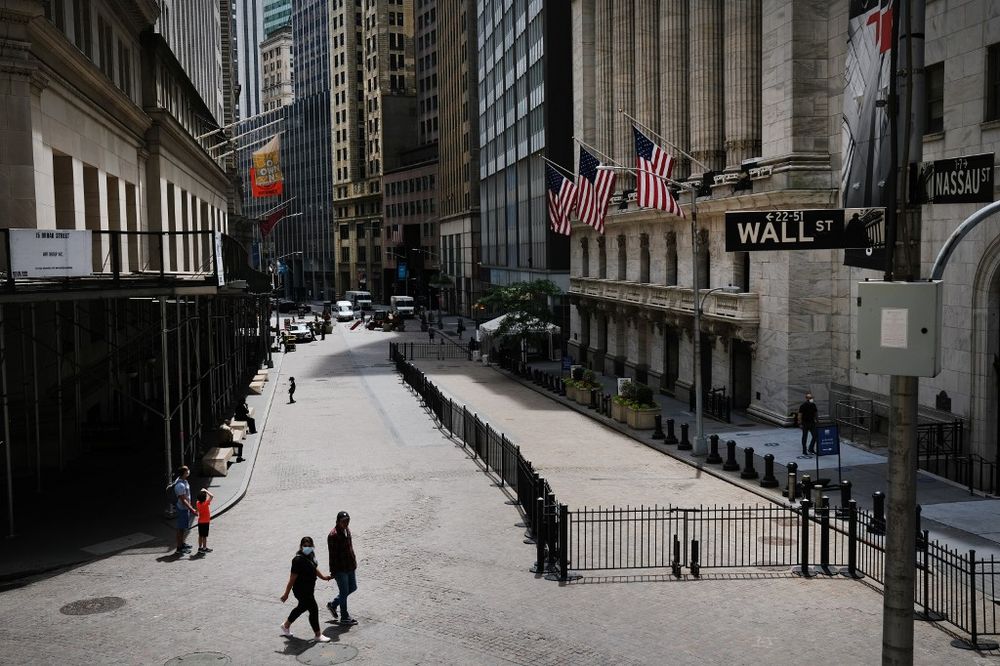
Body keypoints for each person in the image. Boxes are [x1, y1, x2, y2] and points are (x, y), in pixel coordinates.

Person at [280, 536, 332, 642]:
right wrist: (286, 594)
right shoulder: (297, 560)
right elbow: (292, 579)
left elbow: (314, 567)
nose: (307, 548)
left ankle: (286, 625)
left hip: (309, 589)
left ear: (312, 546)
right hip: (301, 590)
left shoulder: (311, 555)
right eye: (305, 546)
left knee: (302, 607)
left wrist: (323, 577)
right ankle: (318, 635)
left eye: (309, 546)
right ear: (301, 546)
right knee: (313, 609)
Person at [326, 511, 359, 626]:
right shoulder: (333, 535)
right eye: (343, 521)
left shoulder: (347, 530)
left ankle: (333, 604)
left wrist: (354, 561)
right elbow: (332, 555)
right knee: (344, 592)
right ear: (338, 521)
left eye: (347, 521)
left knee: (353, 587)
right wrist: (333, 572)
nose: (346, 523)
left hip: (350, 566)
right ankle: (344, 617)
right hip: (340, 569)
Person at [173, 466, 197, 555]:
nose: (188, 472)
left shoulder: (184, 481)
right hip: (182, 508)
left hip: (185, 508)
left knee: (183, 528)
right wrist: (192, 509)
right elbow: (183, 500)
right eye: (187, 471)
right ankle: (179, 548)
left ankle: (182, 544)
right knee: (180, 528)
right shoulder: (180, 485)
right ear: (184, 473)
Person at [195, 489, 214, 554]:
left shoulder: (197, 503)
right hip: (206, 522)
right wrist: (206, 491)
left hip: (200, 522)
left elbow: (197, 510)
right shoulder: (206, 503)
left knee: (200, 535)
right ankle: (204, 548)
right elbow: (211, 496)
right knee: (204, 536)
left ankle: (200, 548)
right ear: (204, 498)